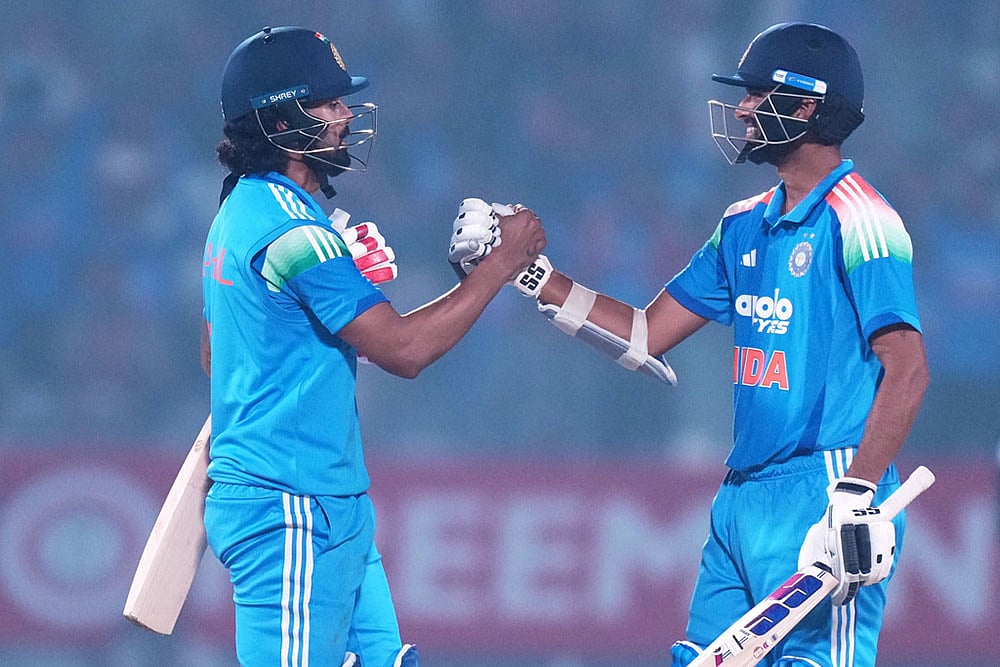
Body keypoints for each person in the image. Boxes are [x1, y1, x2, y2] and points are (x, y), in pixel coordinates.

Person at [451, 21, 928, 667]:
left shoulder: (865, 220)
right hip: (742, 495)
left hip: (827, 487)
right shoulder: (741, 224)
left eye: (759, 94)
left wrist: (855, 495)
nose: (742, 109)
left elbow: (908, 370)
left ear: (808, 106)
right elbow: (648, 333)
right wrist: (528, 274)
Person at [200, 25, 545, 667]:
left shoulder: (241, 211)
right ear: (278, 118)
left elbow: (216, 355)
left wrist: (327, 292)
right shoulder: (293, 230)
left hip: (326, 501)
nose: (344, 116)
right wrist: (500, 265)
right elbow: (405, 352)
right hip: (291, 508)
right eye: (327, 104)